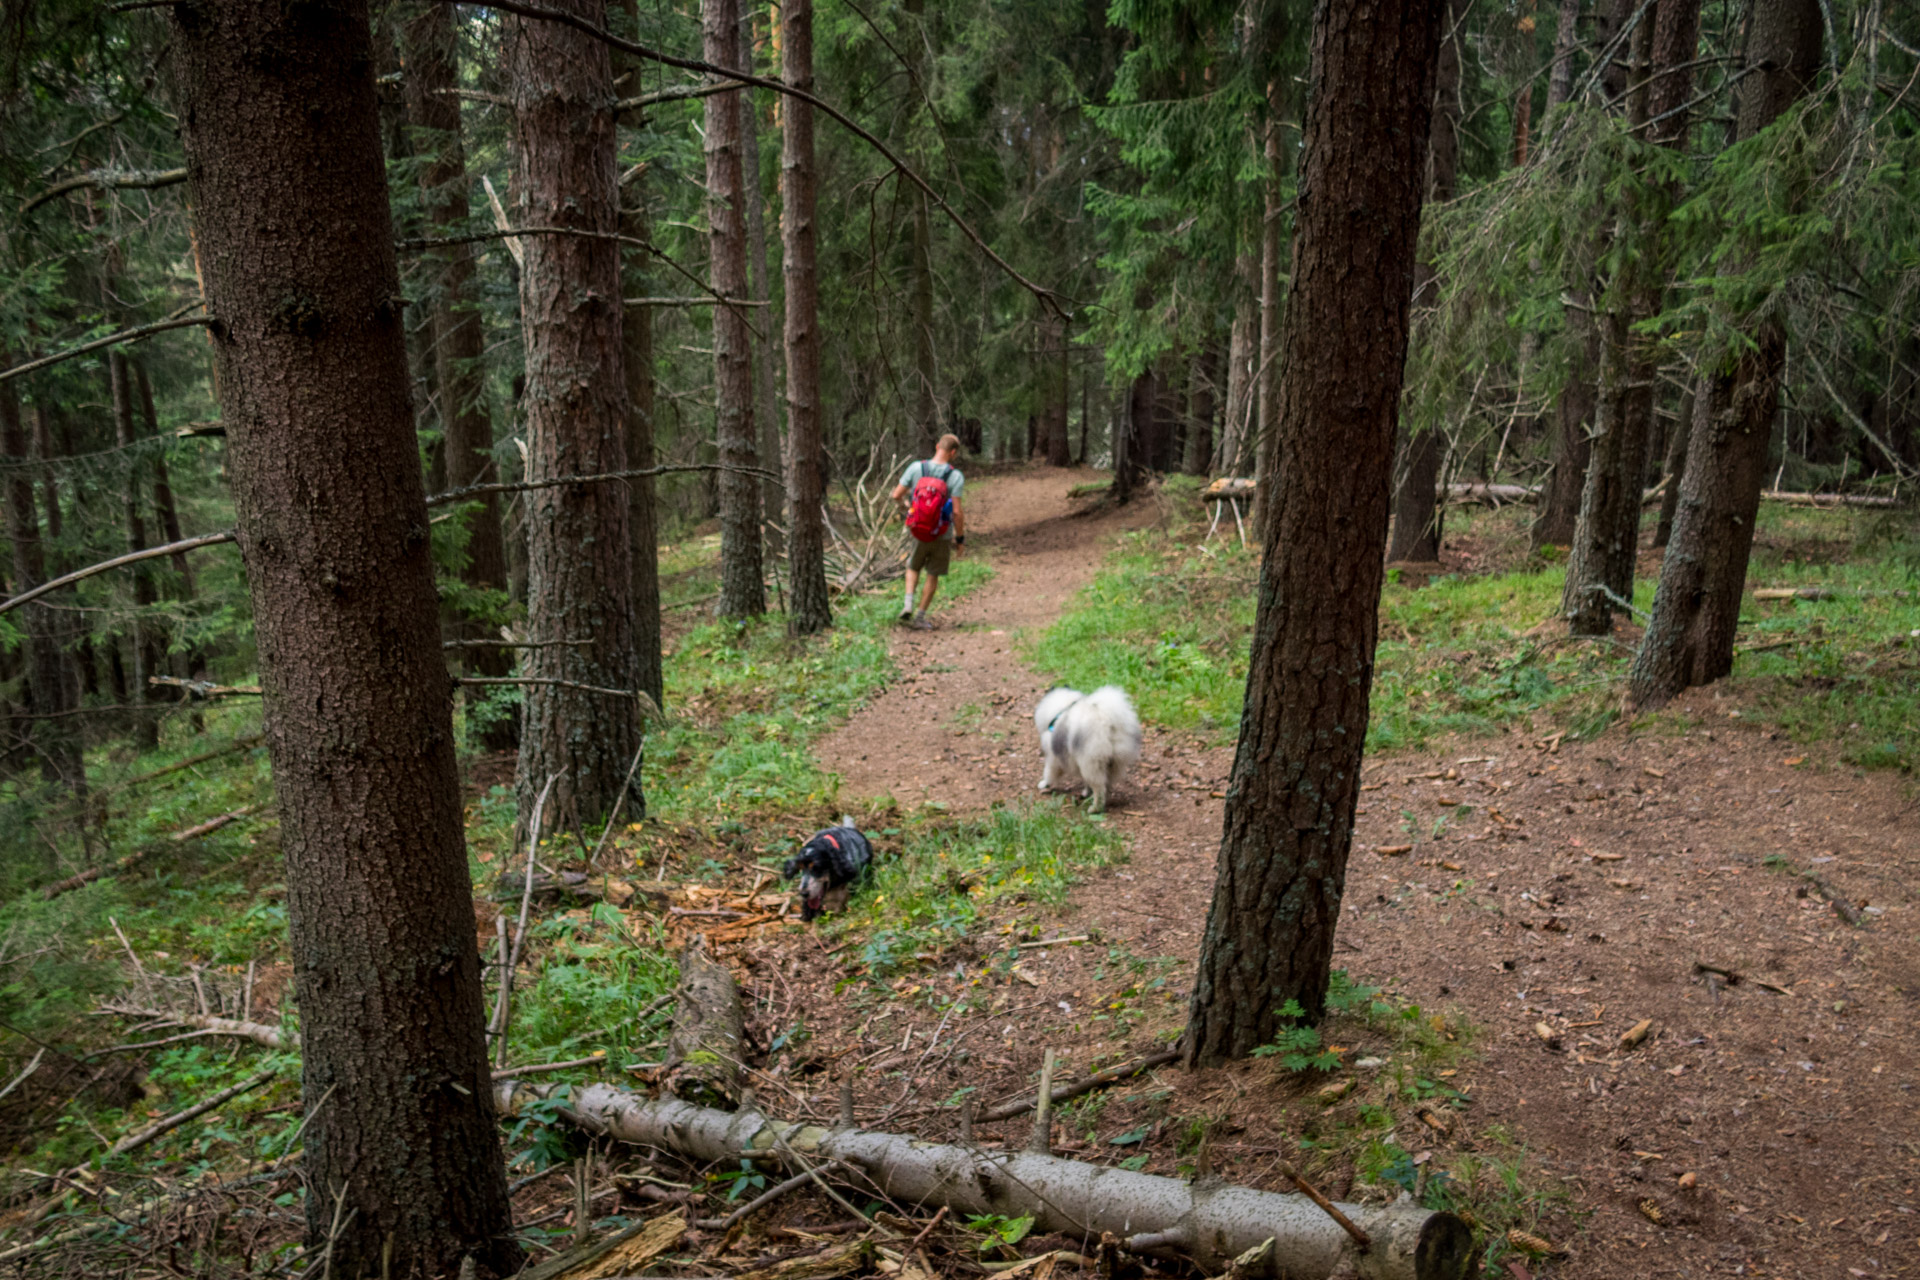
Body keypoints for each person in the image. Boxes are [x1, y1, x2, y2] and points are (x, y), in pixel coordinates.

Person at [891, 433, 967, 629]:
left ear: (936, 446)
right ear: (953, 452)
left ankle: (908, 604)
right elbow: (957, 512)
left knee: (913, 566)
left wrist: (908, 509)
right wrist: (960, 539)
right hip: (941, 533)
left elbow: (896, 495)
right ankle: (920, 617)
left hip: (917, 530)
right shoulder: (955, 476)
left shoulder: (917, 468)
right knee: (933, 574)